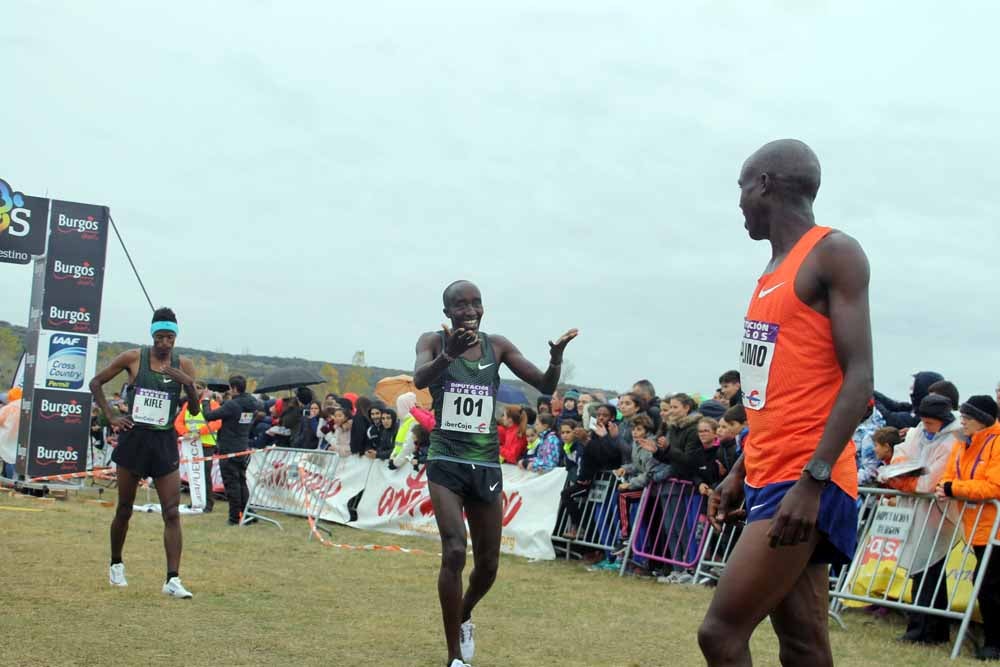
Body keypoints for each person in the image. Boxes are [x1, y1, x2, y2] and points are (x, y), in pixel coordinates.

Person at [699, 139, 873, 667]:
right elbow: (776, 396)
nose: (739, 203)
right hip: (770, 473)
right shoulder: (772, 271)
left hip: (805, 481)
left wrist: (813, 480)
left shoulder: (833, 253)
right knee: (804, 645)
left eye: (742, 188)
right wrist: (738, 472)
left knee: (720, 634)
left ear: (766, 184)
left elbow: (860, 380)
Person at [413, 280, 576, 667]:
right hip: (445, 461)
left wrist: (555, 358)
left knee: (488, 566)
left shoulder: (497, 345)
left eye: (476, 303)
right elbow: (419, 380)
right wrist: (447, 357)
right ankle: (455, 658)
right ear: (447, 311)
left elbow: (544, 384)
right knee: (454, 551)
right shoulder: (433, 341)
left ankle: (465, 612)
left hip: (486, 464)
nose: (469, 310)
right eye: (460, 304)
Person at [89, 307, 200, 598]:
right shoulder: (134, 358)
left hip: (164, 443)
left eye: (170, 338)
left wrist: (188, 385)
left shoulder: (184, 364)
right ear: (152, 335)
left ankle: (172, 580)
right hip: (135, 439)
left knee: (172, 511)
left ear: (176, 337)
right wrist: (111, 416)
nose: (165, 344)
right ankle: (116, 564)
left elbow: (197, 409)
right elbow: (96, 383)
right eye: (161, 338)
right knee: (124, 508)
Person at [881, 394, 962, 645]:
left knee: (930, 571)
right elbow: (900, 457)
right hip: (917, 512)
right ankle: (929, 630)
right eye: (923, 422)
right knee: (922, 572)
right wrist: (899, 476)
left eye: (930, 423)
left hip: (937, 516)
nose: (925, 427)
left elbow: (929, 482)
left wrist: (902, 481)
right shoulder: (918, 431)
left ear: (942, 420)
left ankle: (924, 630)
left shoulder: (952, 441)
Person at [936, 395, 1000, 660]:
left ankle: (995, 643)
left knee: (990, 587)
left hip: (996, 530)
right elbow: (948, 476)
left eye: (967, 418)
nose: (961, 421)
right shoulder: (963, 444)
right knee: (987, 586)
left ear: (982, 421)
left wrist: (953, 489)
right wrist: (946, 487)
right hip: (976, 528)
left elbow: (994, 487)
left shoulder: (997, 443)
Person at [200, 375, 261, 526]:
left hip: (229, 448)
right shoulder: (253, 402)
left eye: (230, 388)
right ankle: (248, 513)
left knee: (231, 484)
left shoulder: (233, 405)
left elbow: (209, 415)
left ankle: (234, 517)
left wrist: (206, 400)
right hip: (242, 446)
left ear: (234, 388)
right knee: (241, 482)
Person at [173, 384, 221, 512]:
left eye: (199, 388)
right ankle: (196, 501)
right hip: (191, 444)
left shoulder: (213, 404)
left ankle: (208, 504)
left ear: (205, 390)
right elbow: (178, 422)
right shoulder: (187, 404)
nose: (195, 391)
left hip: (206, 444)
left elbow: (217, 422)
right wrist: (185, 433)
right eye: (194, 388)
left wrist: (200, 432)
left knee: (205, 474)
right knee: (193, 474)